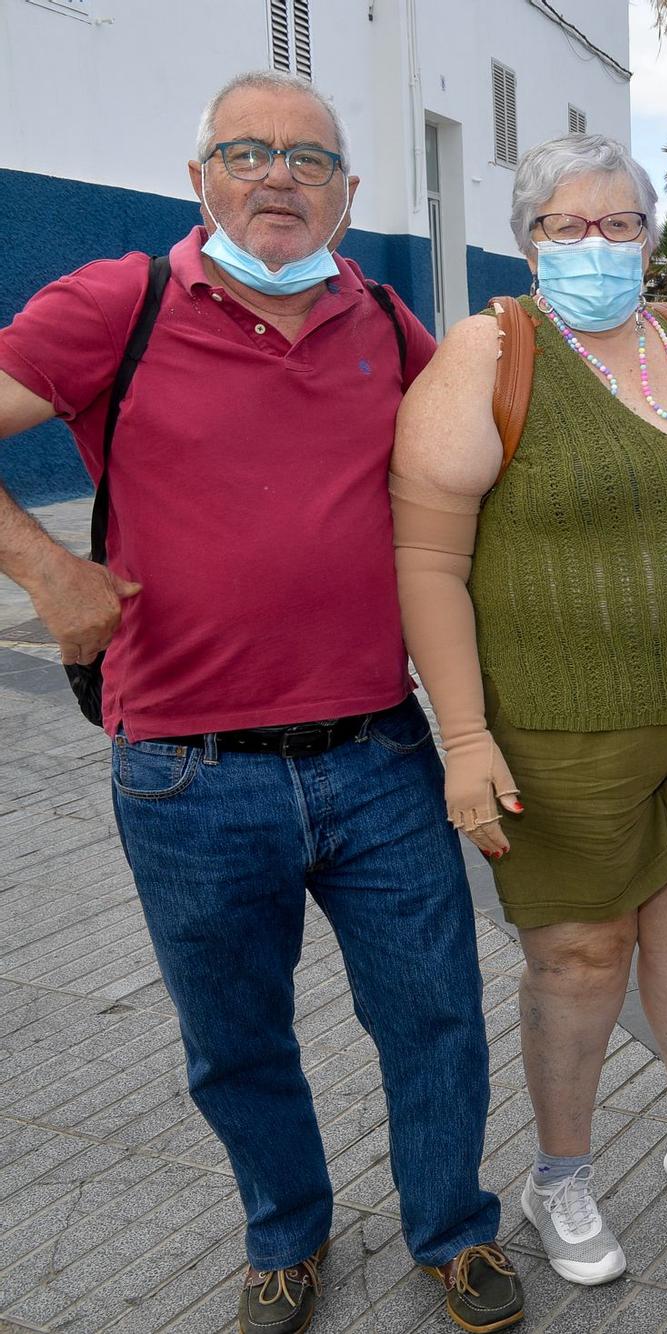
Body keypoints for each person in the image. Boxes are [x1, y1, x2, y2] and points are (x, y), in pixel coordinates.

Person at [0, 71, 522, 1334]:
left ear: (347, 195)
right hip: (187, 769)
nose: (277, 175)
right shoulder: (113, 304)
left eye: (308, 159)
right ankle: (284, 1232)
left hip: (381, 754)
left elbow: (474, 485)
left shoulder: (387, 324)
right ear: (199, 180)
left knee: (437, 1012)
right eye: (246, 150)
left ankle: (451, 1228)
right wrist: (46, 567)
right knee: (235, 1039)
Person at [391, 133, 667, 1288]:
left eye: (619, 223)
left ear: (649, 235)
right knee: (576, 954)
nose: (597, 245)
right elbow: (425, 559)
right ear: (527, 239)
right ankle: (561, 1173)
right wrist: (464, 740)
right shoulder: (490, 350)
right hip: (563, 724)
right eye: (567, 226)